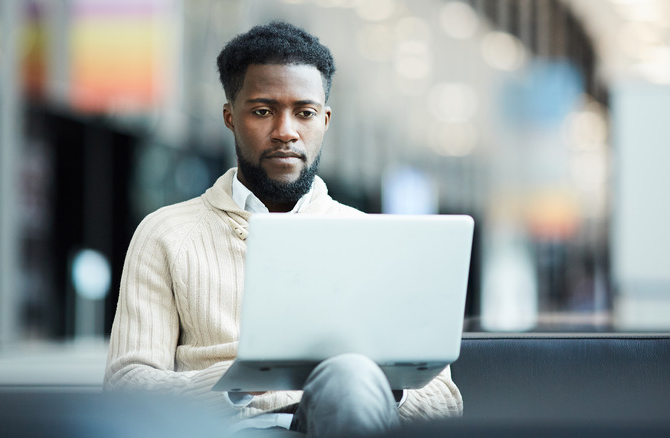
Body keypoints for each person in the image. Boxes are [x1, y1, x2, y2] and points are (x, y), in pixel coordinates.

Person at [104, 21, 463, 436]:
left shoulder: (375, 241)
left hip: (346, 422)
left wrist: (370, 384)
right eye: (262, 111)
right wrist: (244, 380)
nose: (286, 132)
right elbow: (125, 388)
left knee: (348, 375)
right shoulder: (166, 233)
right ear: (230, 118)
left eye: (305, 113)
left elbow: (444, 401)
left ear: (325, 120)